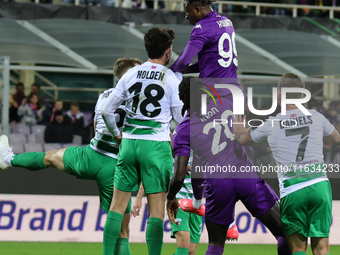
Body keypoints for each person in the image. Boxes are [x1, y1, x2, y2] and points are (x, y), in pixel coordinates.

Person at [0, 57, 143, 255]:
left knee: (49, 157)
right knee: (123, 231)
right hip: (115, 165)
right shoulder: (140, 100)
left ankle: (9, 159)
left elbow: (95, 126)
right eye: (138, 71)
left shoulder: (105, 95)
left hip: (90, 155)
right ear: (129, 75)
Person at [167, 77, 291, 255]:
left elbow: (179, 176)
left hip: (217, 185)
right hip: (244, 175)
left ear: (181, 99)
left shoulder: (183, 130)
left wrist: (171, 197)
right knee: (284, 231)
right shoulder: (226, 103)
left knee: (215, 245)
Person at [233, 73, 340, 255]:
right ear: (302, 94)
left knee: (298, 249)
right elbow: (336, 138)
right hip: (319, 186)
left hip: (293, 189)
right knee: (322, 249)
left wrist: (237, 121)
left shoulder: (272, 123)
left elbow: (241, 139)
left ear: (280, 95)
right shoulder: (316, 116)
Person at [101, 27, 183, 255]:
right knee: (156, 211)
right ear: (167, 53)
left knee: (116, 207)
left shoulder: (130, 74)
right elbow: (180, 118)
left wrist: (118, 136)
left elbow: (107, 111)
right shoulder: (170, 78)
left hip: (128, 143)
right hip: (156, 145)